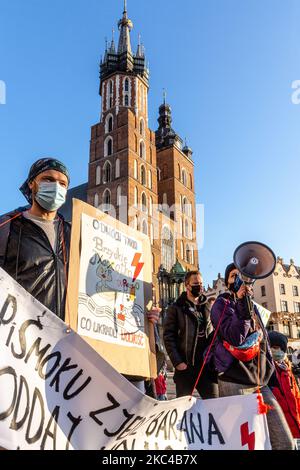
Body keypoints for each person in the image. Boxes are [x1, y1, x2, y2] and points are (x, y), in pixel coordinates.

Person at [209, 263, 294, 450]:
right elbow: (235, 336)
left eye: (242, 275)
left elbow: (262, 342)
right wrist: (241, 303)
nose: (238, 279)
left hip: (259, 381)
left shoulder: (254, 309)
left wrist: (271, 371)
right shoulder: (220, 304)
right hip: (234, 380)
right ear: (227, 282)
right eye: (233, 276)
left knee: (283, 441)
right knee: (240, 443)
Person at [0, 158, 71, 320]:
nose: (56, 187)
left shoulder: (72, 233)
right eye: (48, 179)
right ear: (32, 183)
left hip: (61, 338)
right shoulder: (7, 225)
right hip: (16, 332)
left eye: (62, 184)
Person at [163, 270, 219, 399]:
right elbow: (168, 336)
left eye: (201, 283)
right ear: (187, 285)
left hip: (206, 368)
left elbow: (214, 333)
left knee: (214, 405)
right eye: (195, 283)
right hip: (186, 368)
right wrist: (178, 363)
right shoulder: (176, 308)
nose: (199, 286)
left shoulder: (208, 307)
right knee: (183, 410)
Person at [268, 331, 300, 439]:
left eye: (281, 348)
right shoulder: (266, 371)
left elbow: (297, 398)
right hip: (279, 433)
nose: (278, 351)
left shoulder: (287, 371)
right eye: (274, 347)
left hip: (295, 429)